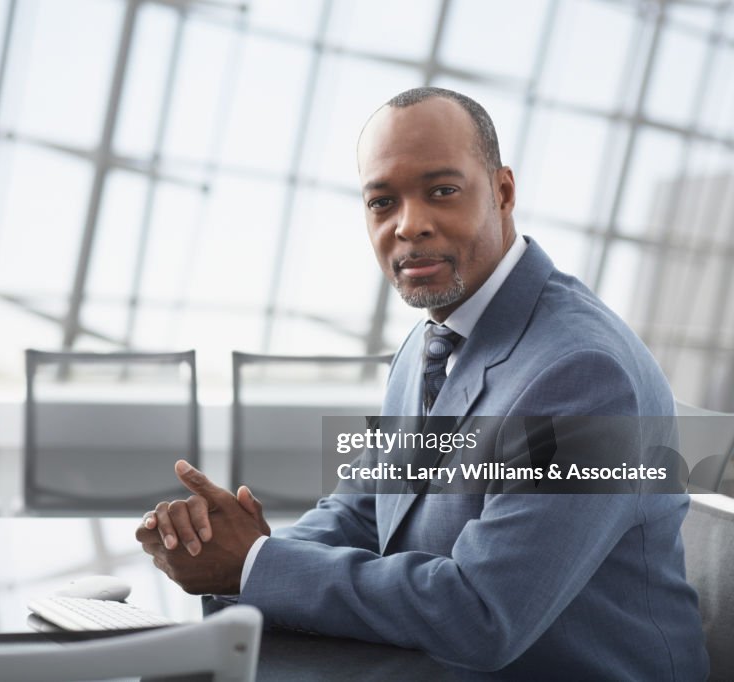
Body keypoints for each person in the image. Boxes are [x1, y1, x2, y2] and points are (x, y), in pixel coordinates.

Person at [134, 87, 708, 679]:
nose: (410, 225)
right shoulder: (432, 339)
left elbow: (483, 613)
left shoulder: (584, 374)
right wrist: (233, 549)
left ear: (502, 192)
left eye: (441, 191)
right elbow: (365, 511)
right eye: (382, 202)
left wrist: (253, 565)